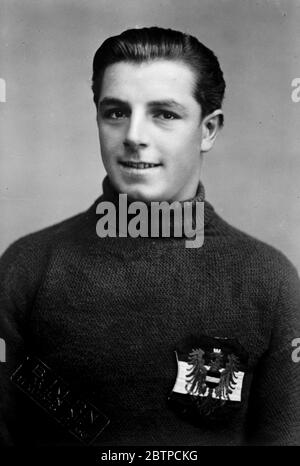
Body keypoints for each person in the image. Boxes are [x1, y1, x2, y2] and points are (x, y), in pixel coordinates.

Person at [0, 26, 299, 447]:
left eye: (165, 114)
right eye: (116, 112)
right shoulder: (28, 268)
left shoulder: (269, 280)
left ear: (208, 130)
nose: (134, 136)